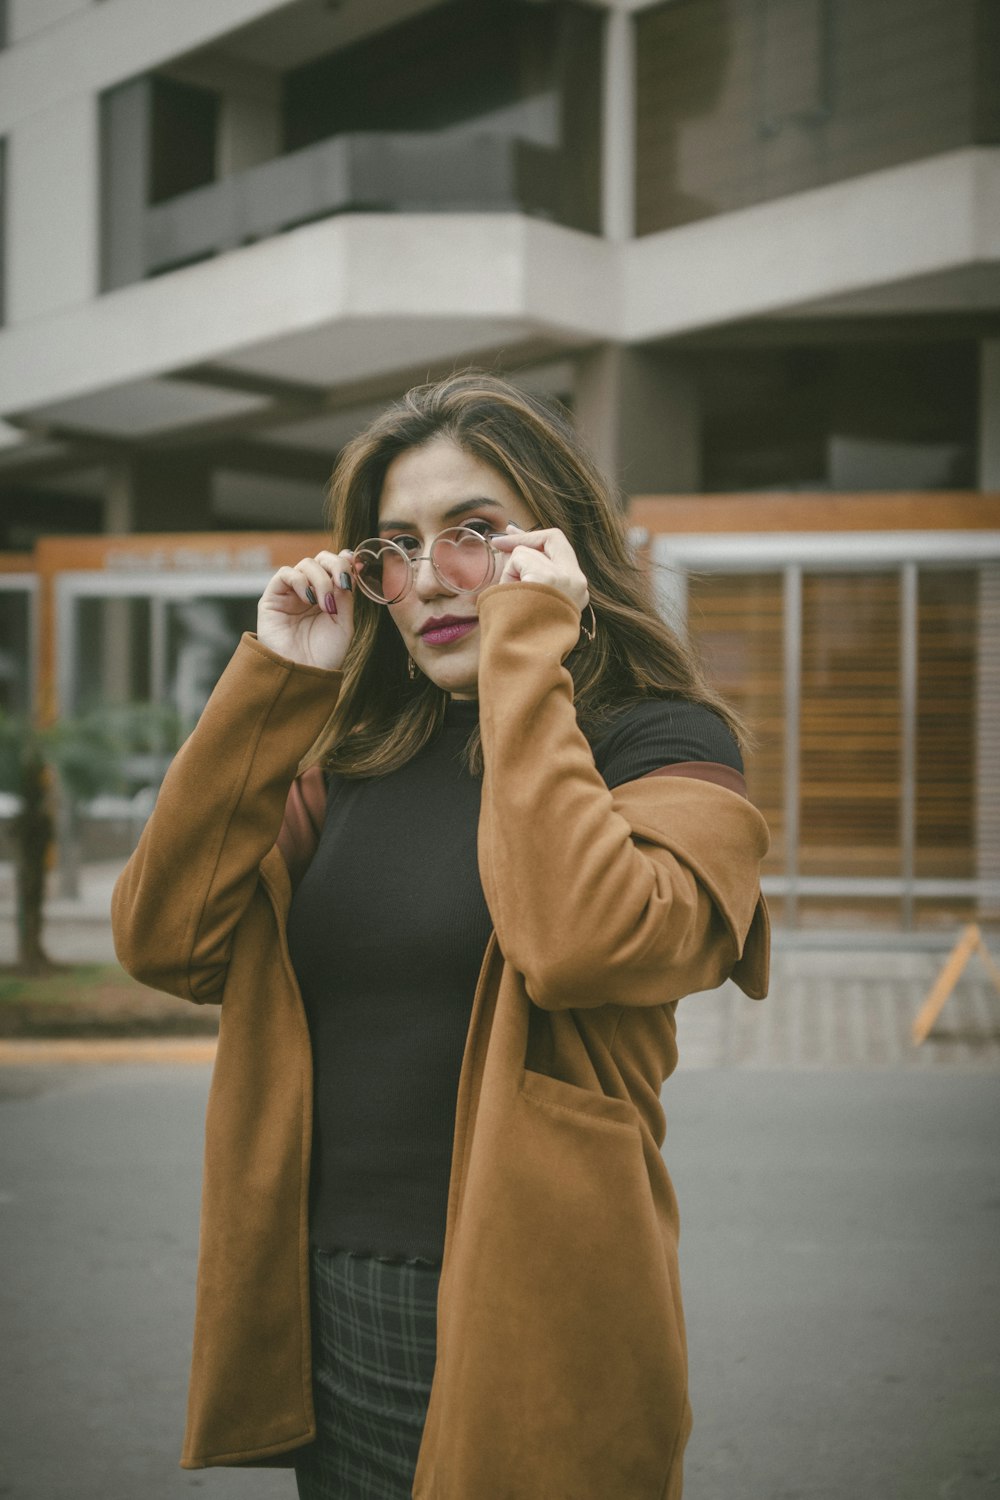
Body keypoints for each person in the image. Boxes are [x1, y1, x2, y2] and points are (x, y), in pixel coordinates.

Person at [112, 371, 769, 1500]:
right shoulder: (350, 759)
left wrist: (527, 652)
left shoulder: (660, 743)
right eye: (397, 548)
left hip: (532, 1303)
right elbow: (165, 941)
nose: (430, 580)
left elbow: (579, 941)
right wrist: (274, 687)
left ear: (559, 547)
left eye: (476, 534)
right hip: (330, 1295)